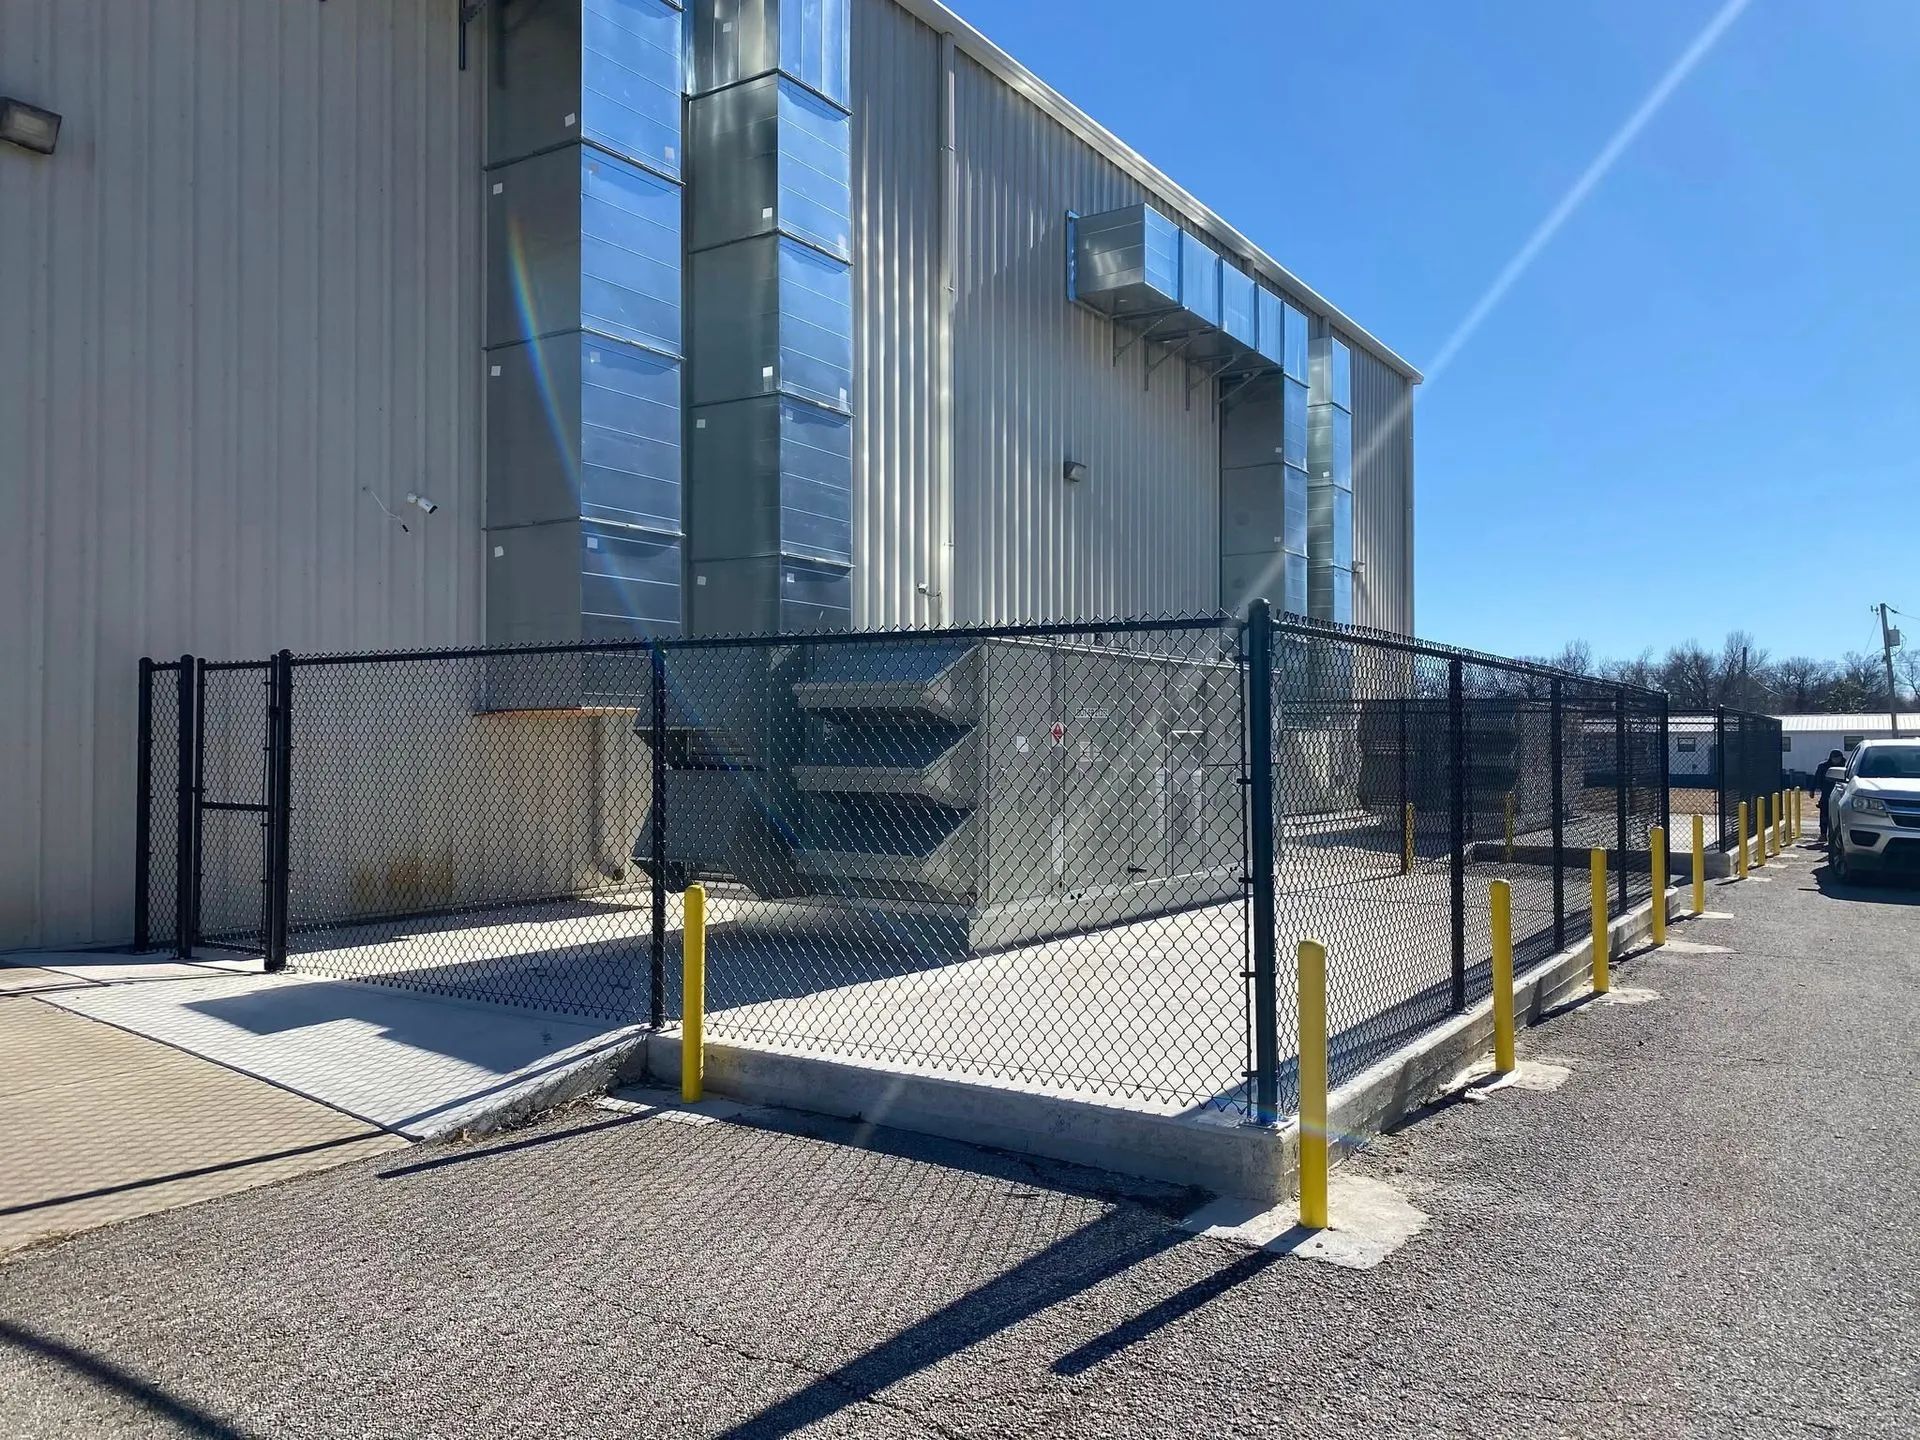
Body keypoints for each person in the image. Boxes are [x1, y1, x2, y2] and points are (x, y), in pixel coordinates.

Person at [1811, 748, 1848, 842]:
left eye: (1838, 758)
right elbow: (1816, 778)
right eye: (1834, 758)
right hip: (1827, 792)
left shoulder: (1846, 766)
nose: (1836, 760)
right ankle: (1823, 834)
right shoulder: (1823, 766)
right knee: (1824, 814)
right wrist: (1812, 790)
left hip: (1843, 793)